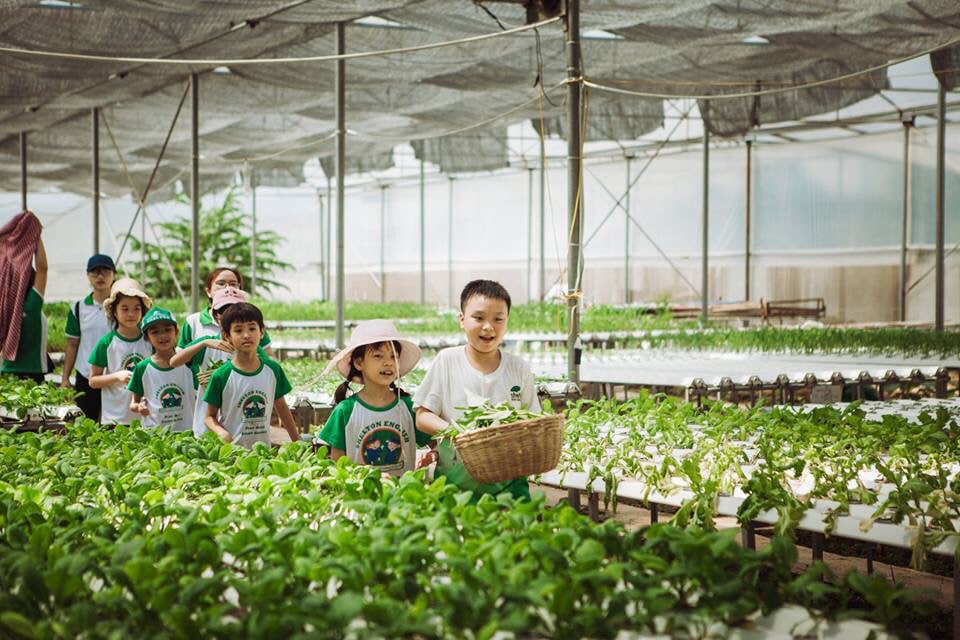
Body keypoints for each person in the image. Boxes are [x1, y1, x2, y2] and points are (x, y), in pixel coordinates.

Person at [414, 279, 540, 501]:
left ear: (507, 321)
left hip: (510, 486)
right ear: (462, 320)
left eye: (498, 319)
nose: (488, 327)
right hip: (456, 485)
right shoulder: (447, 360)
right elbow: (423, 416)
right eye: (479, 318)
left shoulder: (518, 368)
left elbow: (533, 421)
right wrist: (458, 433)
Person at [318, 320, 431, 476]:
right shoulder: (346, 411)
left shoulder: (408, 407)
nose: (388, 363)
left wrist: (433, 454)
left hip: (403, 490)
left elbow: (433, 442)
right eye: (378, 356)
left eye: (393, 356)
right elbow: (338, 465)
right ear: (359, 363)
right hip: (360, 491)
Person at [202, 302, 298, 448]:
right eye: (238, 330)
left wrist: (297, 442)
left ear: (262, 331)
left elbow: (282, 407)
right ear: (227, 336)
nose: (246, 335)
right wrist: (221, 432)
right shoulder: (221, 375)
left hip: (263, 451)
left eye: (252, 328)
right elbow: (209, 416)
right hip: (232, 453)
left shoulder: (273, 369)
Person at [170, 287, 260, 437]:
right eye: (223, 312)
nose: (228, 316)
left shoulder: (251, 347)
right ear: (216, 316)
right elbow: (174, 362)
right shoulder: (208, 343)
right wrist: (203, 343)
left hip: (241, 426)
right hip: (206, 423)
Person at [87, 278, 152, 425]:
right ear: (114, 312)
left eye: (136, 308)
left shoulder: (149, 340)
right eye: (125, 309)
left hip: (147, 417)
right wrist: (117, 377)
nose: (131, 314)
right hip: (115, 419)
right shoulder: (106, 343)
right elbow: (93, 381)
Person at [61, 254, 116, 419]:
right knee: (86, 423)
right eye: (95, 272)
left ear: (114, 274)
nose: (100, 276)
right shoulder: (78, 308)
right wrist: (65, 378)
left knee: (115, 424)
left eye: (105, 271)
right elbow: (72, 344)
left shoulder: (122, 307)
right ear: (88, 275)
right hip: (86, 374)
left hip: (115, 374)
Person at [178, 266, 273, 356]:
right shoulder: (193, 321)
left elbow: (268, 356)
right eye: (221, 283)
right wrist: (203, 344)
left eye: (233, 284)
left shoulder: (251, 319)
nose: (228, 288)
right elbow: (179, 358)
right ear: (208, 291)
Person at [128, 307, 196, 432]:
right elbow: (133, 403)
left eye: (168, 330)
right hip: (155, 434)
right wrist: (139, 406)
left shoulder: (189, 361)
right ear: (146, 337)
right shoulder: (142, 367)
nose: (163, 336)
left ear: (176, 332)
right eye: (155, 332)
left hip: (187, 432)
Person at [1, 229, 48, 384]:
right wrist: (35, 233)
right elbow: (42, 269)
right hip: (32, 372)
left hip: (7, 371)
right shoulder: (32, 303)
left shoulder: (4, 304)